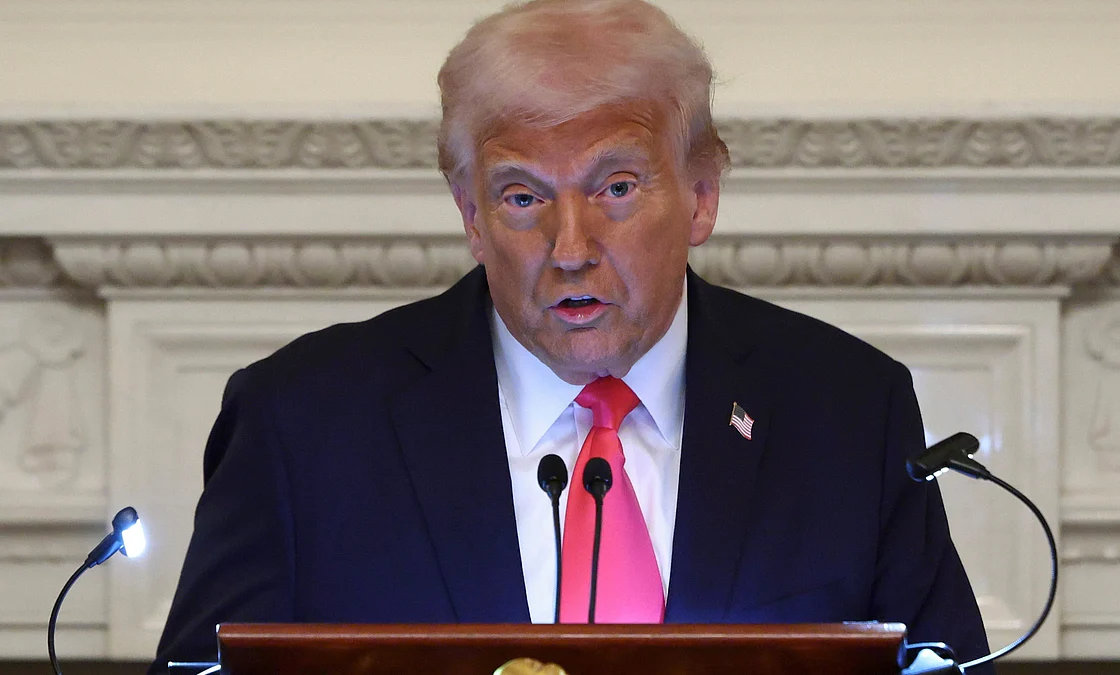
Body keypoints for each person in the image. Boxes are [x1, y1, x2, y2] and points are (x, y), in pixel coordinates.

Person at [150, 0, 992, 672]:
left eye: (617, 186)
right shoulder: (302, 423)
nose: (572, 247)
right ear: (471, 216)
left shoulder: (849, 411)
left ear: (701, 196)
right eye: (522, 197)